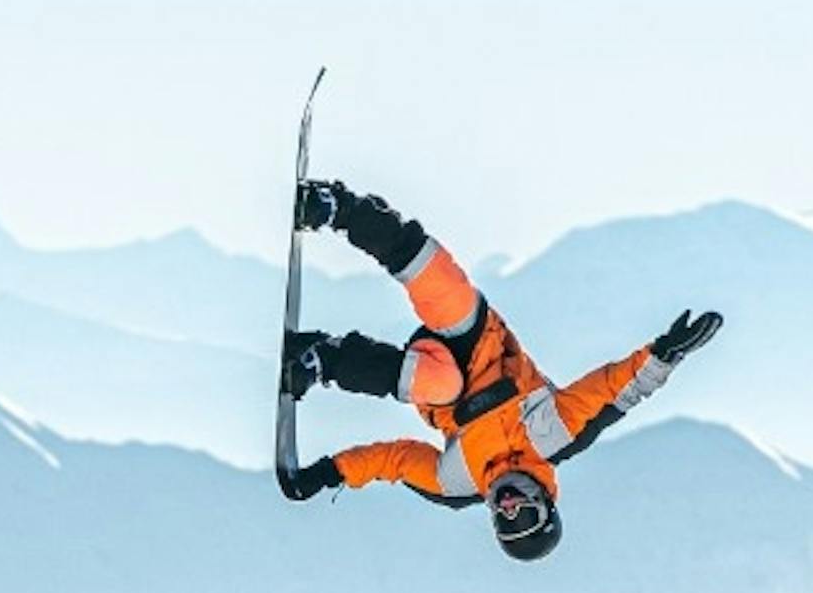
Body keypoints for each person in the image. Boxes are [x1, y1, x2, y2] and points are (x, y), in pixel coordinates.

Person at [280, 179, 722, 562]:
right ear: (543, 502)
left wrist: (326, 473)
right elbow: (616, 390)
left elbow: (393, 461)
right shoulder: (556, 435)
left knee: (441, 382)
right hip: (482, 341)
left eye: (504, 522)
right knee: (446, 291)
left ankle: (322, 360)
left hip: (434, 378)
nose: (508, 508)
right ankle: (341, 209)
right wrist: (665, 354)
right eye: (523, 515)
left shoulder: (459, 484)